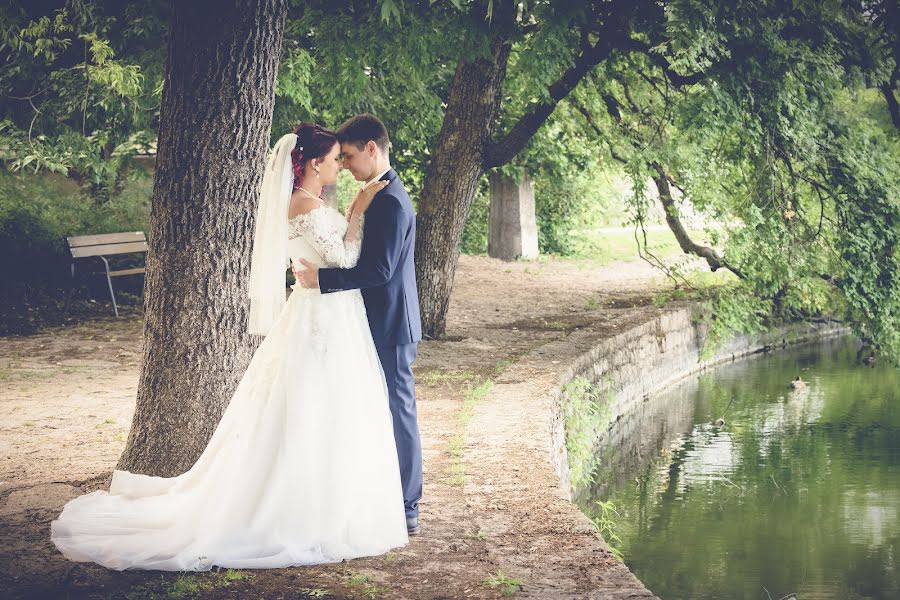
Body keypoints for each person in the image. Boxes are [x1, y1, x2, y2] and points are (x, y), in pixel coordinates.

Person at [50, 123, 407, 571]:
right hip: (323, 318)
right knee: (316, 408)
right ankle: (300, 511)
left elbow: (331, 260)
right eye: (336, 158)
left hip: (331, 316)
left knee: (329, 408)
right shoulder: (304, 204)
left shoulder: (311, 203)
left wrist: (352, 215)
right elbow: (346, 259)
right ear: (316, 163)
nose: (340, 165)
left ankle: (333, 500)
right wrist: (358, 214)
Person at [294, 113, 424, 535]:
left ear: (372, 149)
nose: (345, 165)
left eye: (348, 156)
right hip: (372, 320)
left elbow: (380, 272)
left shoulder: (387, 199)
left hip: (390, 323)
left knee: (397, 409)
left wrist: (323, 279)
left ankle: (407, 504)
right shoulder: (377, 193)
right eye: (340, 158)